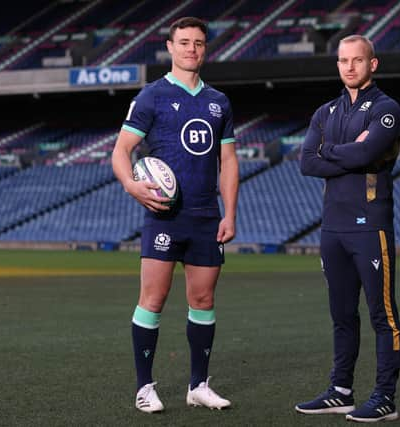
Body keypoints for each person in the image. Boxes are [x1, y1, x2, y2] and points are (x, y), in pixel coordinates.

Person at [111, 16, 238, 414]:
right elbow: (120, 150)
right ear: (170, 47)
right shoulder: (152, 96)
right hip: (164, 215)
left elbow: (229, 160)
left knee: (203, 299)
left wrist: (230, 212)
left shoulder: (219, 101)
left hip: (206, 216)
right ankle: (144, 387)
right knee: (153, 298)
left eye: (198, 43)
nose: (191, 49)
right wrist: (131, 185)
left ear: (205, 48)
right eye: (184, 42)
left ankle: (198, 385)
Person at [296, 35, 400, 423]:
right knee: (342, 315)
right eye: (343, 60)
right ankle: (340, 391)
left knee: (383, 315)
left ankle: (385, 397)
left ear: (372, 65)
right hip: (333, 228)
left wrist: (330, 151)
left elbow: (366, 153)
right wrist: (345, 152)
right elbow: (306, 162)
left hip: (370, 225)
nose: (349, 67)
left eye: (357, 60)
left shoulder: (386, 109)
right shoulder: (325, 112)